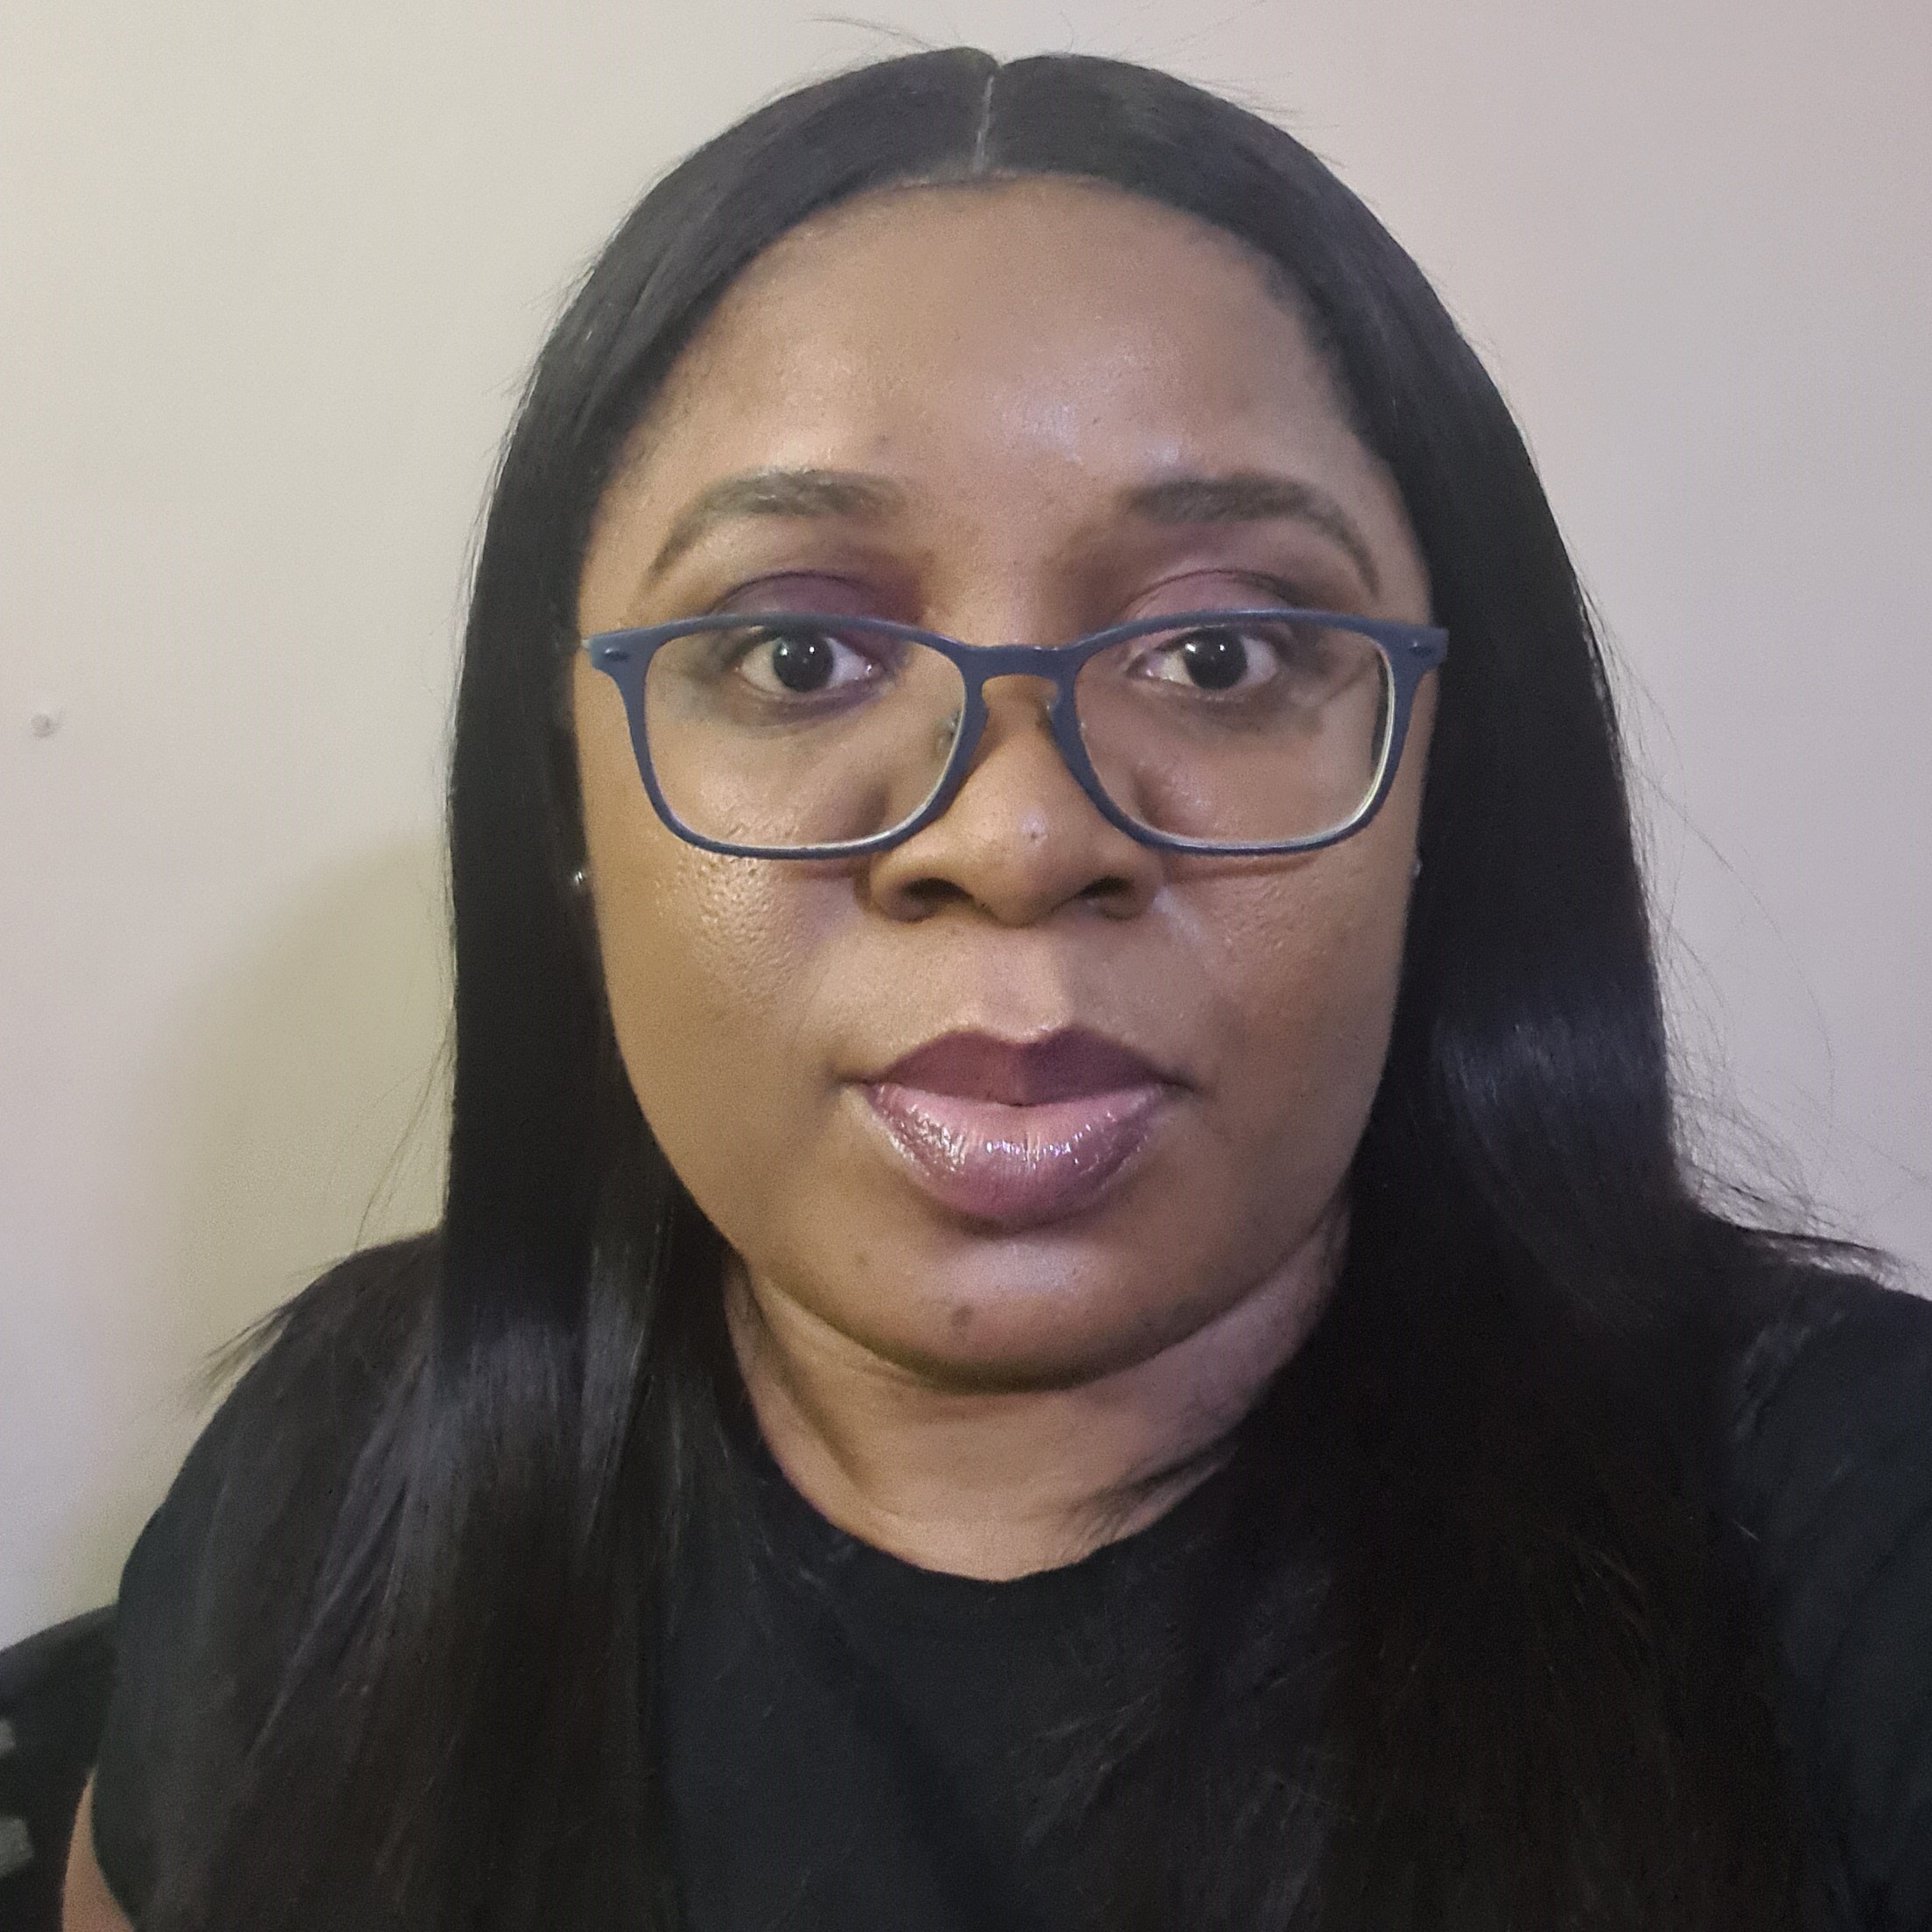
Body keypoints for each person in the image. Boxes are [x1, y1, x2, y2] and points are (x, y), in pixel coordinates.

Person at [61, 46, 1932, 1932]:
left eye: (1219, 650)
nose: (1021, 837)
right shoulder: (334, 1494)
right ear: (568, 791)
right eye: (795, 651)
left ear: (1443, 769)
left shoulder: (1834, 1542)